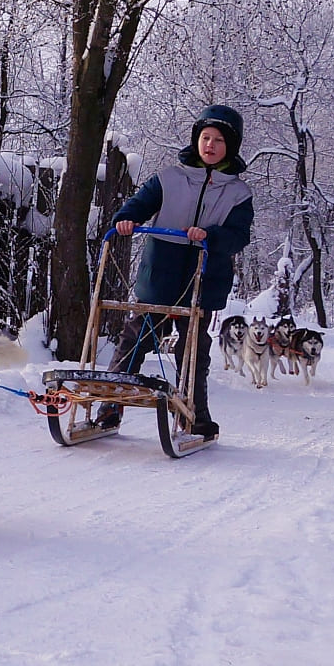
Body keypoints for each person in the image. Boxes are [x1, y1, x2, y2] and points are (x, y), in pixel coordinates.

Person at [95, 105, 255, 439]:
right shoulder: (170, 177)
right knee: (135, 336)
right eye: (205, 138)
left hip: (203, 275)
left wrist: (210, 234)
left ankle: (195, 415)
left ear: (232, 146)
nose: (210, 145)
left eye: (219, 140)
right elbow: (137, 205)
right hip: (161, 270)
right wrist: (126, 220)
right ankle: (110, 405)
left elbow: (239, 236)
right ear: (196, 140)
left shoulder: (238, 193)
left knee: (193, 347)